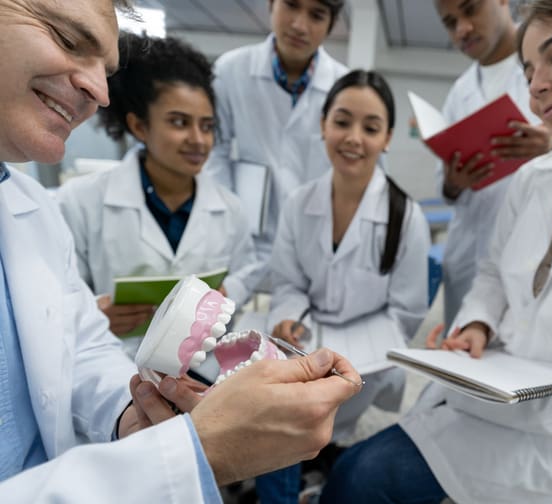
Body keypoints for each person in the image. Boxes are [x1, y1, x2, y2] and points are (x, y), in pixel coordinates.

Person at [320, 1, 552, 503]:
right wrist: (477, 324)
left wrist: (481, 393)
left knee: (365, 478)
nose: (536, 85)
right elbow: (494, 273)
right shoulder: (537, 179)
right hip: (495, 384)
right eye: (528, 70)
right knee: (357, 472)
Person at [0, 0, 361, 501]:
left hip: (162, 380)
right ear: (139, 127)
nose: (97, 90)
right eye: (66, 40)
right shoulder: (72, 203)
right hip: (127, 380)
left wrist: (132, 416)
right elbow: (81, 331)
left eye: (208, 126)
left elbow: (78, 346)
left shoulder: (29, 209)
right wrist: (192, 449)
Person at [255, 69, 430, 503]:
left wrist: (364, 350)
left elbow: (406, 311)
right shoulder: (299, 204)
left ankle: (318, 475)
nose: (354, 137)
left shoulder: (406, 217)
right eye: (342, 121)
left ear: (387, 138)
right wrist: (288, 317)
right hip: (307, 342)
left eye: (370, 128)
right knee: (281, 419)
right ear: (323, 125)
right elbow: (289, 282)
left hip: (367, 363)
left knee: (312, 426)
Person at [57, 33, 260, 343]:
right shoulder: (81, 201)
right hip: (112, 364)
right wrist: (95, 314)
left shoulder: (229, 208)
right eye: (179, 123)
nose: (198, 139)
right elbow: (58, 294)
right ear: (140, 126)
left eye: (206, 126)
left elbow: (247, 271)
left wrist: (229, 292)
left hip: (199, 366)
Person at [204, 0, 348, 291]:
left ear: (330, 25)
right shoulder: (230, 70)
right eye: (291, 5)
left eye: (316, 15)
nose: (299, 24)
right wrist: (230, 221)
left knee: (299, 329)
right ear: (271, 4)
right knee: (228, 323)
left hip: (315, 249)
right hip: (245, 242)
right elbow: (213, 153)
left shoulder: (344, 87)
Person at [434, 0, 552, 329]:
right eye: (449, 22)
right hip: (467, 254)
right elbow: (444, 189)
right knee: (461, 357)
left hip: (531, 257)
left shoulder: (549, 68)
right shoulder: (460, 92)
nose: (462, 29)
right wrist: (452, 182)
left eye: (470, 9)